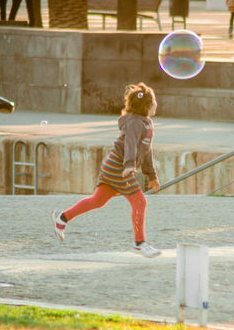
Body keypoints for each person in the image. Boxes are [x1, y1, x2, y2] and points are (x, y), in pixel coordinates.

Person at [52, 83, 162, 258]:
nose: (157, 103)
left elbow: (146, 151)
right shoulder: (134, 122)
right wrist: (128, 166)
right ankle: (140, 243)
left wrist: (152, 176)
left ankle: (62, 218)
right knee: (140, 201)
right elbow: (130, 144)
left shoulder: (147, 123)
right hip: (118, 166)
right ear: (147, 105)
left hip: (113, 165)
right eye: (154, 101)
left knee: (98, 201)